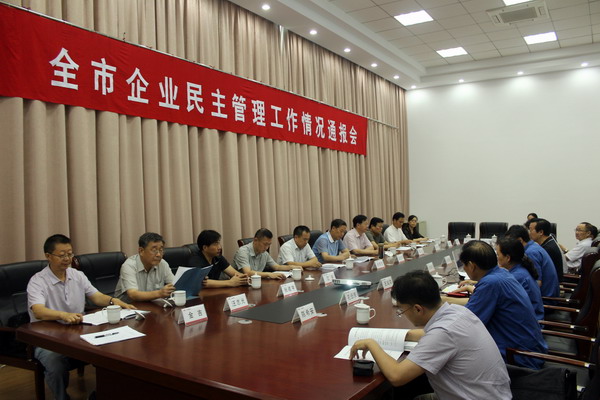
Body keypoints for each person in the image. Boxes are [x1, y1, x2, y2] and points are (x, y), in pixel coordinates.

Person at [350, 271, 511, 399]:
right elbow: (429, 334)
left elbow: (397, 376)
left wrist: (372, 343)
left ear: (418, 309)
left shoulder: (443, 333)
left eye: (402, 310)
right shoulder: (457, 312)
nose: (402, 314)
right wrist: (399, 335)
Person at [27, 234, 135, 400]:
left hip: (78, 331)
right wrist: (63, 315)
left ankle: (102, 394)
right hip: (48, 336)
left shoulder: (77, 275)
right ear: (48, 256)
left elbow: (96, 296)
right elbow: (38, 311)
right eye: (62, 255)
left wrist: (115, 301)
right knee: (53, 360)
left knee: (111, 350)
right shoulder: (37, 281)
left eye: (70, 254)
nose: (67, 259)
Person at [450, 240, 547, 369]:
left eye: (464, 265)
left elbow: (465, 324)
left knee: (452, 358)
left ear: (472, 266)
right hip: (527, 349)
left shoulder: (491, 283)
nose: (465, 269)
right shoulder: (502, 273)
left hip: (518, 357)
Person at [114, 232, 175, 302]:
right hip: (127, 306)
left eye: (161, 250)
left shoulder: (162, 263)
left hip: (151, 304)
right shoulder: (129, 265)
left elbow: (174, 284)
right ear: (141, 251)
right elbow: (133, 294)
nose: (158, 254)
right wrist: (159, 293)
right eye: (154, 250)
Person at [505, 224, 559, 301]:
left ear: (520, 240)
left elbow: (538, 283)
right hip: (545, 295)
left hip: (546, 299)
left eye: (510, 243)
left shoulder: (531, 253)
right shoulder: (533, 246)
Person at [496, 237, 544, 321]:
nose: (497, 257)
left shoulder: (516, 277)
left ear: (508, 258)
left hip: (528, 323)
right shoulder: (519, 269)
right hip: (527, 318)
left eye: (498, 254)